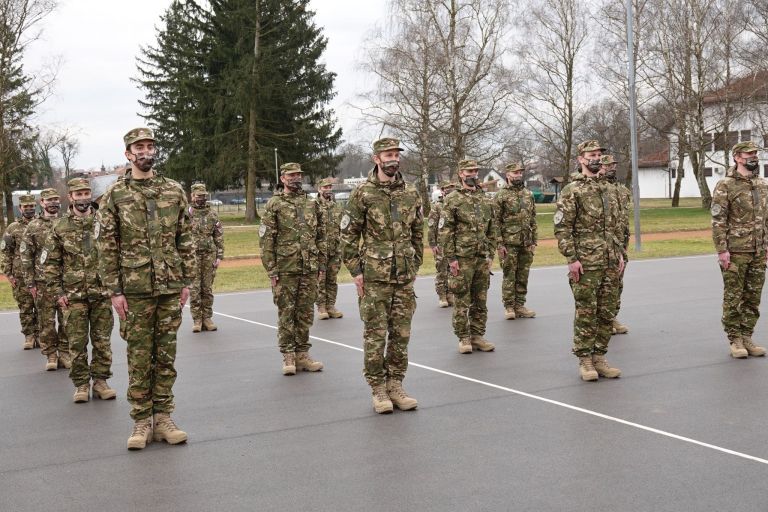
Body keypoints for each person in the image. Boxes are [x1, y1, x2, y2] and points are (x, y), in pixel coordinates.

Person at [96, 127, 195, 450]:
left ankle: (164, 417)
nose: (145, 151)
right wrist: (115, 290)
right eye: (139, 147)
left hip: (169, 286)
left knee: (165, 356)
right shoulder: (115, 195)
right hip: (134, 289)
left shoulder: (173, 190)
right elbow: (106, 246)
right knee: (139, 356)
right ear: (128, 154)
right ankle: (141, 421)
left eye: (150, 146)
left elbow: (186, 238)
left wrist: (185, 281)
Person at [341, 137, 423, 413]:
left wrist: (414, 267)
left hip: (403, 277)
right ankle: (378, 389)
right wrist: (356, 272)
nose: (393, 159)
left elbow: (417, 233)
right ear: (376, 159)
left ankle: (396, 385)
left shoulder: (410, 192)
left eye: (396, 154)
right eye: (388, 154)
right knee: (375, 335)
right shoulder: (363, 193)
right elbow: (348, 235)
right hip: (374, 278)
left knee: (401, 335)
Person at [554, 140, 624, 381]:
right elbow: (562, 228)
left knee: (606, 311)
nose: (596, 158)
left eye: (598, 155)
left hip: (610, 259)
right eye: (591, 155)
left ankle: (600, 357)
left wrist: (620, 254)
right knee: (586, 311)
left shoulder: (610, 189)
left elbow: (616, 226)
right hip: (586, 261)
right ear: (581, 159)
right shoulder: (572, 190)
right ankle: (585, 360)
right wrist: (572, 259)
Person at [43, 177, 116, 403]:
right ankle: (82, 384)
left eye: (86, 193)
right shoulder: (59, 227)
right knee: (76, 342)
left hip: (101, 293)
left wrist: (116, 287)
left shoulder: (104, 223)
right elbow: (51, 263)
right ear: (70, 197)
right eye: (79, 194)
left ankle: (101, 382)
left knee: (102, 341)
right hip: (73, 297)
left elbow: (116, 254)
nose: (83, 198)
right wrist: (58, 292)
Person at [260, 163, 326, 375]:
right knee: (287, 313)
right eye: (292, 175)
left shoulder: (312, 203)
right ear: (283, 178)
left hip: (309, 268)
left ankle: (302, 354)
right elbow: (266, 240)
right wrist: (272, 270)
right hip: (285, 268)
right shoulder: (274, 204)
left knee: (305, 313)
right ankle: (288, 356)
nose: (296, 178)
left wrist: (321, 264)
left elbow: (321, 236)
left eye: (299, 174)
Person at [711, 140, 768, 359]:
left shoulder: (762, 184)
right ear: (737, 157)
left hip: (758, 250)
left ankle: (747, 336)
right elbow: (718, 220)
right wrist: (722, 250)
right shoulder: (726, 185)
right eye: (748, 154)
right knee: (733, 297)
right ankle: (735, 339)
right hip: (735, 251)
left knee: (753, 297)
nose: (753, 157)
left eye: (755, 153)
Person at [439, 159, 496, 354]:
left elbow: (492, 229)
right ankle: (464, 337)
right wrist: (451, 258)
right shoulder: (452, 199)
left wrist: (491, 254)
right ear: (461, 173)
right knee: (462, 299)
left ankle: (477, 335)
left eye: (475, 171)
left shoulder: (485, 199)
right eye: (469, 171)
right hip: (462, 258)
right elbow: (445, 231)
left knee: (480, 299)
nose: (473, 174)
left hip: (481, 257)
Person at [21, 188, 69, 371]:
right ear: (42, 203)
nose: (53, 203)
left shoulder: (66, 222)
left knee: (66, 319)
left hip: (65, 281)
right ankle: (50, 354)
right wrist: (30, 282)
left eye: (56, 199)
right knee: (46, 321)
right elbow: (26, 255)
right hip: (42, 283)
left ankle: (65, 353)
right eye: (49, 200)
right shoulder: (33, 226)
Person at [495, 163, 537, 320]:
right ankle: (509, 307)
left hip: (526, 242)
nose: (518, 175)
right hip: (509, 243)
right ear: (508, 174)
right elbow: (495, 222)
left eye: (520, 172)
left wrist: (534, 241)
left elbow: (533, 219)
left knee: (523, 275)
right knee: (509, 275)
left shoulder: (528, 194)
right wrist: (500, 244)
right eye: (515, 172)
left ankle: (520, 305)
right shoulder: (501, 195)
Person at [1, 194, 39, 350]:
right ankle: (29, 336)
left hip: (40, 273)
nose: (29, 209)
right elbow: (5, 252)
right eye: (26, 207)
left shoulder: (40, 224)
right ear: (20, 208)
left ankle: (42, 335)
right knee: (25, 307)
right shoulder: (12, 228)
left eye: (31, 206)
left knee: (42, 307)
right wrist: (8, 274)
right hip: (20, 274)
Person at [598, 154, 630, 335]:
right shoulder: (599, 189)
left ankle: (612, 316)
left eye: (613, 165)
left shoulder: (622, 190)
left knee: (617, 283)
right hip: (605, 244)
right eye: (607, 165)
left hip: (621, 242)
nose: (612, 168)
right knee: (605, 285)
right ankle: (602, 321)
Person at [188, 182, 224, 333]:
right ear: (192, 196)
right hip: (192, 257)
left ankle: (207, 318)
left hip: (209, 255)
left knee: (207, 288)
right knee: (195, 289)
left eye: (204, 196)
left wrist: (220, 255)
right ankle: (197, 320)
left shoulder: (212, 214)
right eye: (198, 196)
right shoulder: (186, 214)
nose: (201, 199)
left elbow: (219, 236)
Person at [315, 177, 344, 320]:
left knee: (332, 279)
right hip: (320, 250)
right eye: (325, 187)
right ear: (319, 189)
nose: (328, 190)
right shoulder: (314, 206)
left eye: (330, 187)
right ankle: (321, 307)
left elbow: (342, 227)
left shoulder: (336, 206)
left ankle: (331, 306)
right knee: (321, 279)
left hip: (334, 249)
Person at [428, 181, 457, 308]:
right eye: (448, 188)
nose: (450, 190)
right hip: (440, 244)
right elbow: (431, 227)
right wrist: (433, 244)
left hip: (453, 243)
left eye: (452, 188)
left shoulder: (455, 204)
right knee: (441, 271)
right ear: (443, 191)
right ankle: (442, 295)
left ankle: (450, 294)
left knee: (453, 271)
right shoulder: (437, 206)